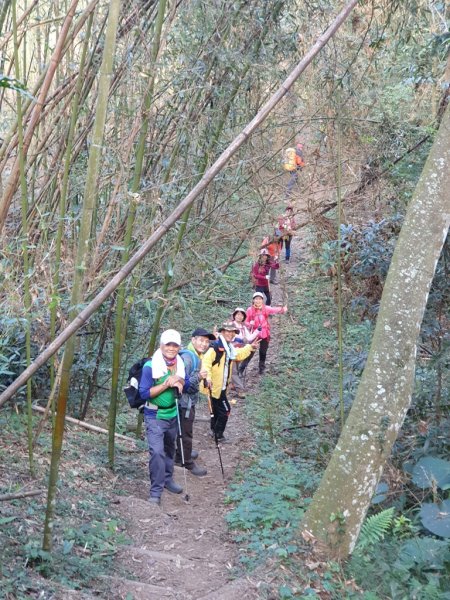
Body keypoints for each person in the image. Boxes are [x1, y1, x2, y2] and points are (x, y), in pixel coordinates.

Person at [139, 329, 188, 506]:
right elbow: (144, 393)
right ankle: (155, 492)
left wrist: (180, 382)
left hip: (173, 412)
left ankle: (168, 480)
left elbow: (186, 381)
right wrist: (167, 384)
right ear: (161, 345)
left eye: (175, 345)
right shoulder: (150, 366)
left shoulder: (179, 363)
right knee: (157, 452)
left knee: (169, 448)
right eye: (168, 344)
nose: (171, 348)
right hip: (155, 414)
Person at [203, 322, 259, 442]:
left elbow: (237, 355)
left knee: (217, 409)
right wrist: (207, 378)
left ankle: (214, 431)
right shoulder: (215, 347)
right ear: (222, 332)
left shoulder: (229, 348)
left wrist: (250, 347)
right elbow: (206, 363)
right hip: (213, 386)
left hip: (221, 386)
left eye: (232, 332)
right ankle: (219, 435)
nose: (230, 334)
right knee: (225, 410)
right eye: (227, 331)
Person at [175, 328, 216, 477]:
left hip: (186, 402)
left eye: (207, 341)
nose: (204, 344)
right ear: (193, 340)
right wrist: (199, 377)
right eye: (201, 340)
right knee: (186, 433)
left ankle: (180, 454)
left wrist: (202, 380)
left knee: (183, 431)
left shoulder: (195, 355)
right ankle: (186, 462)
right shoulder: (188, 357)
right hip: (183, 403)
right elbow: (182, 384)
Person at [245, 292, 287, 374]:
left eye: (260, 299)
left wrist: (282, 309)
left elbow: (274, 310)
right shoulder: (250, 310)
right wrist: (250, 324)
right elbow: (246, 321)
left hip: (265, 334)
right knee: (251, 351)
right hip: (254, 334)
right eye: (256, 299)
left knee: (263, 351)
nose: (258, 301)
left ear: (262, 300)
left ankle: (261, 367)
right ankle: (243, 367)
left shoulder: (266, 308)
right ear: (253, 300)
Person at [229, 307, 260, 398]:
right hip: (231, 350)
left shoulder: (243, 327)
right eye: (238, 314)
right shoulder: (230, 325)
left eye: (242, 315)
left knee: (235, 370)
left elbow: (249, 338)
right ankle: (240, 389)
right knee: (233, 371)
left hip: (240, 351)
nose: (240, 316)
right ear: (234, 315)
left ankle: (232, 385)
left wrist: (257, 330)